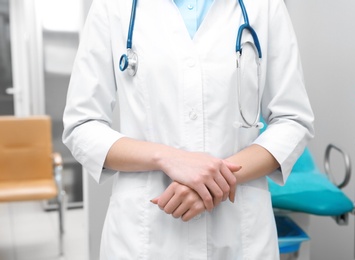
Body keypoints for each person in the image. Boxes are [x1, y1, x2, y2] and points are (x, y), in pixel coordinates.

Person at [63, 0, 314, 259]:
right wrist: (169, 158)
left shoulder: (265, 5)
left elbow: (292, 119)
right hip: (145, 235)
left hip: (237, 233)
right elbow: (82, 124)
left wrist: (213, 181)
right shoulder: (112, 6)